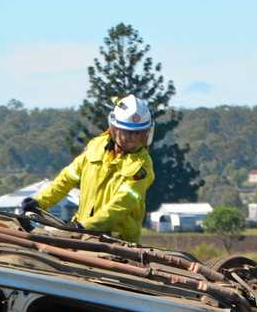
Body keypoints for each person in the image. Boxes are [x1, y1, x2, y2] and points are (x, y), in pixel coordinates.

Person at [20, 95, 156, 243]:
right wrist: (39, 202)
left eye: (139, 133)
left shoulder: (142, 166)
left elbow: (120, 205)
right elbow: (67, 178)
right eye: (127, 132)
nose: (133, 139)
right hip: (82, 233)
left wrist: (83, 226)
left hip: (118, 240)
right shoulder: (95, 146)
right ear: (113, 128)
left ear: (147, 132)